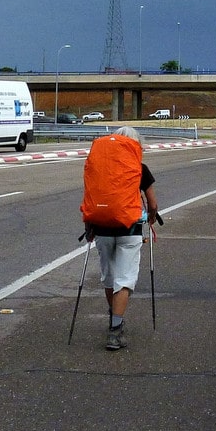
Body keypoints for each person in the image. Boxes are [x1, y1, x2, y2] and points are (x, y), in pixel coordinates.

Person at [83, 126, 159, 350]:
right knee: (124, 279)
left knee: (109, 277)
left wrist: (89, 226)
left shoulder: (99, 165)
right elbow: (152, 204)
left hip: (102, 229)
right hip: (130, 230)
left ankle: (114, 317)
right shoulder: (139, 167)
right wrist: (152, 217)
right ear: (135, 145)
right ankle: (115, 331)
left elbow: (90, 197)